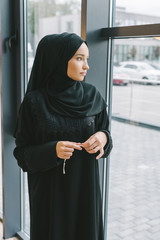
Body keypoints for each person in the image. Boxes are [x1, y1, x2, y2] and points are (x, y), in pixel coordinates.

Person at [13, 32, 113, 240]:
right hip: (50, 198)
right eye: (79, 58)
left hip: (86, 192)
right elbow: (22, 154)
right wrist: (52, 150)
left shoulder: (92, 96)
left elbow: (106, 136)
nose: (86, 66)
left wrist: (103, 138)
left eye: (87, 59)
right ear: (57, 59)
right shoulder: (34, 103)